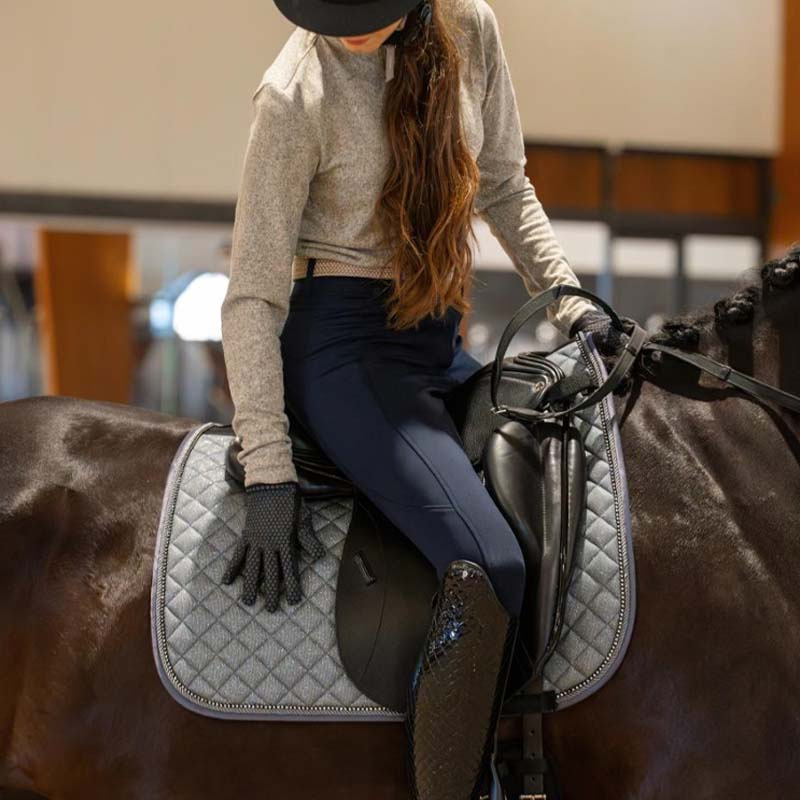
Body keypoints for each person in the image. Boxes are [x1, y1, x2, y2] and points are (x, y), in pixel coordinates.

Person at [219, 0, 622, 796]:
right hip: (342, 351)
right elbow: (250, 298)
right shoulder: (294, 92)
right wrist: (268, 468)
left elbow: (503, 184)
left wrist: (571, 300)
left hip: (437, 335)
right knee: (490, 560)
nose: (347, 26)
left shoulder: (470, 28)